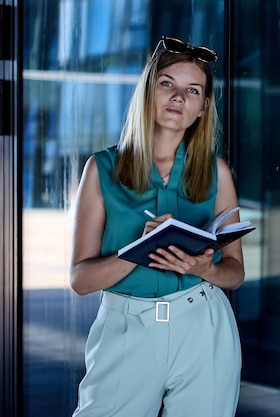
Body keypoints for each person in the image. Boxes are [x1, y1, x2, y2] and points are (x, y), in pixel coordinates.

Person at [70, 35, 244, 417]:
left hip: (203, 324)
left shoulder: (218, 173)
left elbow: (235, 273)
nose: (178, 97)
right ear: (148, 92)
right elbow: (81, 279)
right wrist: (139, 250)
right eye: (167, 84)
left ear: (204, 106)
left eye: (192, 90)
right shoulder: (101, 169)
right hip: (126, 328)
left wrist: (206, 269)